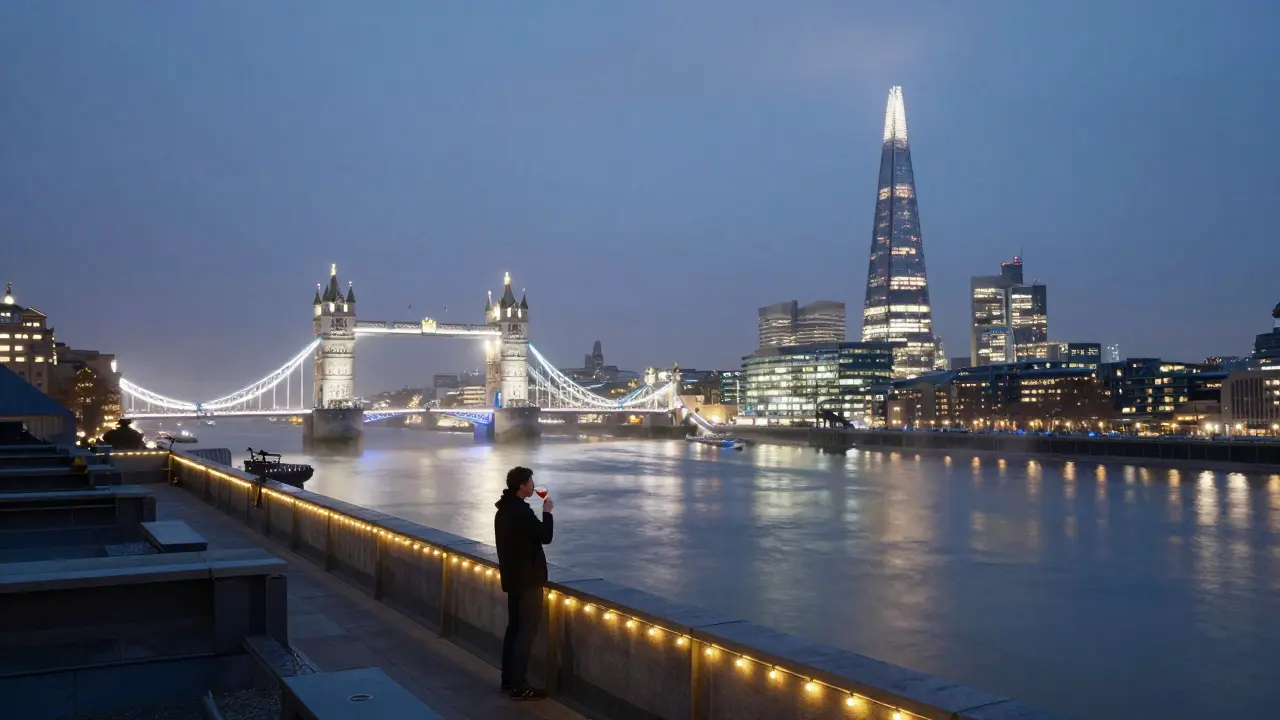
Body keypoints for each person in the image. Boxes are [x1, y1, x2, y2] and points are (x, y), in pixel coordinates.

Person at [494, 466, 553, 701]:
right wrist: (547, 512)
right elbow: (545, 536)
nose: (534, 486)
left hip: (513, 579)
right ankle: (520, 686)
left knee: (514, 630)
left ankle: (508, 680)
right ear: (522, 485)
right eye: (530, 482)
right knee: (526, 633)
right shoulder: (520, 512)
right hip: (528, 581)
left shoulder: (504, 510)